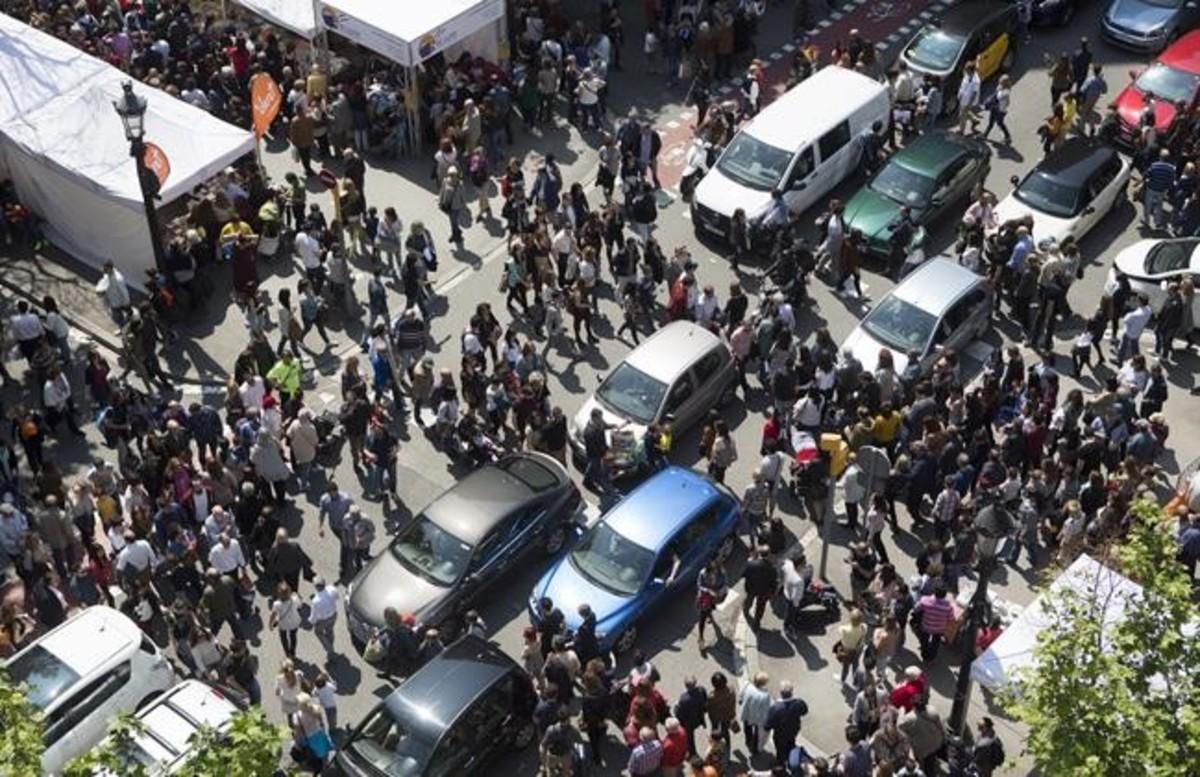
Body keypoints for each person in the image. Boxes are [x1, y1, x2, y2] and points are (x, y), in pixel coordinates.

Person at [764, 681, 808, 766]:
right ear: (792, 691)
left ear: (781, 693)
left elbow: (767, 725)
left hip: (780, 735)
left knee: (780, 750)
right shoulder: (799, 702)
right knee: (791, 744)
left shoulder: (775, 708)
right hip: (794, 730)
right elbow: (805, 711)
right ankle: (791, 760)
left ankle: (780, 764)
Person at [741, 545, 778, 626]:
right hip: (764, 592)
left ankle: (746, 611)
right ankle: (756, 622)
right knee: (760, 607)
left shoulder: (751, 564)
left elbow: (744, 574)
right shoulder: (772, 569)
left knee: (748, 600)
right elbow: (773, 583)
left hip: (751, 588)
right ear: (768, 555)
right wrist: (773, 593)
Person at [738, 672, 772, 756]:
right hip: (757, 717)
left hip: (746, 712)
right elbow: (766, 709)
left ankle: (748, 740)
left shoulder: (747, 686)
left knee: (747, 728)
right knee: (757, 733)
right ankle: (755, 748)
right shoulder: (765, 695)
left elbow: (741, 696)